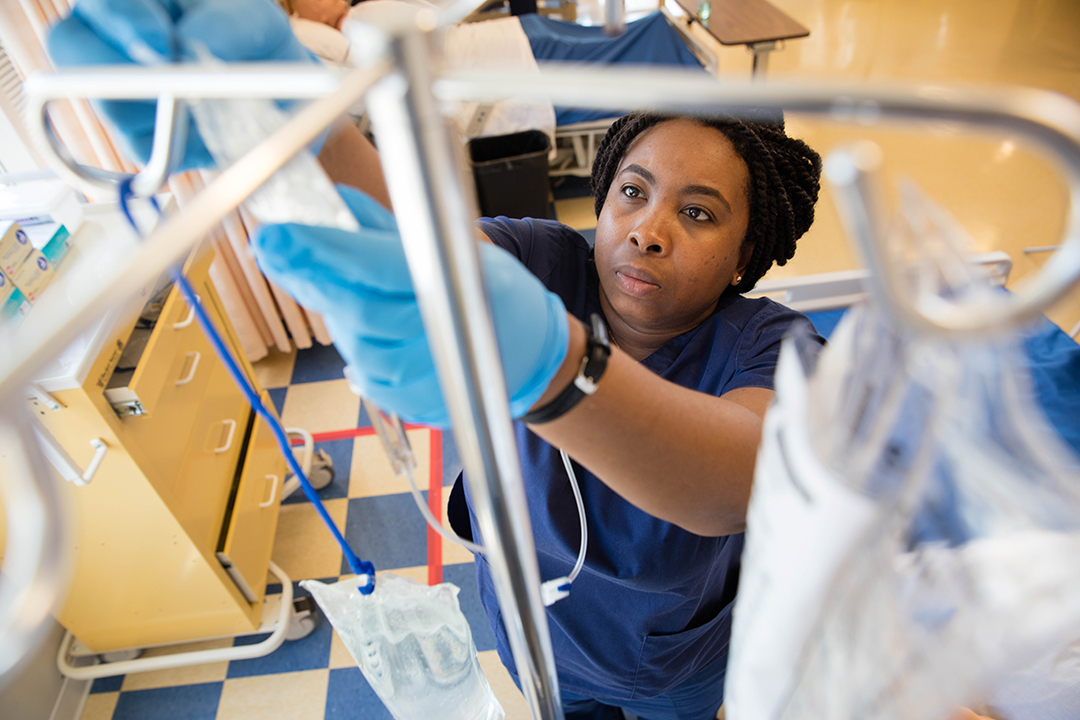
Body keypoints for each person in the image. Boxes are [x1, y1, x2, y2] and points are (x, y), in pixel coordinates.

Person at [46, 2, 994, 719]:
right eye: (632, 192)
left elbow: (728, 482)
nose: (648, 232)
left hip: (675, 666)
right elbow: (421, 244)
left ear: (746, 255)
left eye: (698, 214)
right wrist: (283, 120)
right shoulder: (550, 260)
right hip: (537, 629)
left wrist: (554, 369)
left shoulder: (769, 344)